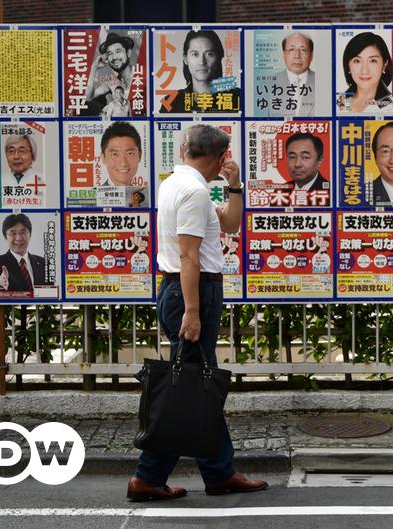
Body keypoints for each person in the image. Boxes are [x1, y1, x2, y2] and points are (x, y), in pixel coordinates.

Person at [128, 124, 267, 502]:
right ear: (221, 157)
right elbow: (189, 256)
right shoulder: (191, 191)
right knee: (187, 389)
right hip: (193, 290)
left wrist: (235, 186)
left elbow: (230, 224)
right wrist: (192, 312)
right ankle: (149, 475)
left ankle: (218, 472)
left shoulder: (180, 183)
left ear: (186, 150)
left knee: (196, 384)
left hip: (186, 288)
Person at [166, 30, 241, 113]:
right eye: (195, 54)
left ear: (219, 58)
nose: (202, 62)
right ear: (185, 59)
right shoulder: (171, 102)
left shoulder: (238, 97)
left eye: (209, 54)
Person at [337, 31, 393, 113]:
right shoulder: (335, 103)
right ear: (348, 66)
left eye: (373, 61)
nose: (364, 70)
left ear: (384, 65)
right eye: (357, 61)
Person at [0, 213, 51, 292]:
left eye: (23, 232)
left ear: (30, 235)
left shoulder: (44, 263)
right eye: (13, 233)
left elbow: (51, 292)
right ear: (5, 236)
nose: (18, 238)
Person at [82, 32, 136, 116]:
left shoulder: (141, 74)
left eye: (118, 51)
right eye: (110, 53)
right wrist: (94, 68)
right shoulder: (111, 83)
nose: (114, 57)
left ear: (128, 53)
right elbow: (87, 98)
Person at [270, 32, 316, 117]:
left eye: (303, 50)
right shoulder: (267, 84)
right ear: (284, 54)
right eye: (291, 50)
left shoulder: (323, 83)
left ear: (311, 55)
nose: (297, 56)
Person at [285, 132, 329, 199]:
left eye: (305, 157)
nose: (297, 164)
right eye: (292, 157)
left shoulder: (332, 193)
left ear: (319, 160)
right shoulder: (281, 191)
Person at [101, 121, 143, 187]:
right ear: (103, 158)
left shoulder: (146, 195)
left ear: (140, 156)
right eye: (115, 154)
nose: (123, 163)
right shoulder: (93, 196)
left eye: (130, 153)